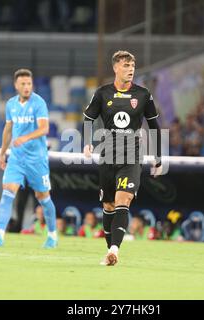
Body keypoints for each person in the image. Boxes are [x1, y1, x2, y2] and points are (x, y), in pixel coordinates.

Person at [82, 50, 163, 266]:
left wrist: (158, 156)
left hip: (131, 155)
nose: (130, 70)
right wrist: (88, 141)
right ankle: (110, 250)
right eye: (126, 66)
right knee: (108, 206)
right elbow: (88, 118)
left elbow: (154, 126)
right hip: (108, 155)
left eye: (133, 66)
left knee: (123, 200)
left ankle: (115, 251)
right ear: (116, 68)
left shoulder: (143, 95)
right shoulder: (102, 93)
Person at [0, 69, 58, 249]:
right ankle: (0, 235)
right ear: (16, 85)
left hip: (36, 159)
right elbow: (8, 129)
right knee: (8, 192)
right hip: (17, 158)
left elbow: (44, 128)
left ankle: (52, 235)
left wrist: (26, 137)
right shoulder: (11, 104)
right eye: (23, 84)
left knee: (43, 197)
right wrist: (2, 152)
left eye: (29, 84)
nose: (26, 87)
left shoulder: (38, 103)